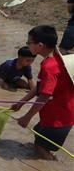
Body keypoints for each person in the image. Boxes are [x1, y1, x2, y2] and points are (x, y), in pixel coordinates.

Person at [10, 25, 74, 160]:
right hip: (61, 114)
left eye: (29, 42)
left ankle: (51, 169)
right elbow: (40, 87)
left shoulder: (49, 67)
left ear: (40, 45)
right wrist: (22, 102)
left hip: (58, 119)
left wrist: (26, 118)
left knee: (40, 148)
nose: (27, 45)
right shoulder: (56, 57)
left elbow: (44, 96)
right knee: (38, 136)